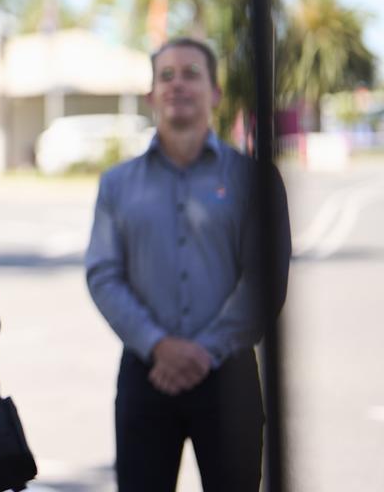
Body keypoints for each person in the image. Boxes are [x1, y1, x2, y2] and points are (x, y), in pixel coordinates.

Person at [85, 37, 292, 491]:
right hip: (146, 374)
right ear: (151, 94)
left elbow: (265, 276)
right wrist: (160, 345)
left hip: (230, 377)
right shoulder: (117, 184)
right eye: (167, 75)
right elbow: (103, 273)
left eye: (192, 74)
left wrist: (204, 351)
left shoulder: (253, 179)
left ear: (215, 92)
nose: (178, 85)